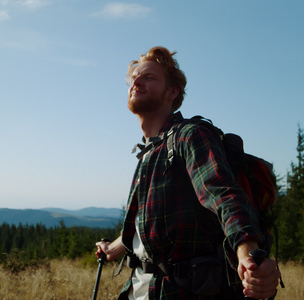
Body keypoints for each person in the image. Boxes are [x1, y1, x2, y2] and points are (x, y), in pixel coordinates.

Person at [95, 46, 281, 300]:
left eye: (149, 77)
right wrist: (112, 248)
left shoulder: (189, 135)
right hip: (139, 291)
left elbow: (223, 193)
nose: (136, 81)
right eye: (134, 77)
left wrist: (248, 256)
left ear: (172, 92)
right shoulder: (149, 153)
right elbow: (146, 226)